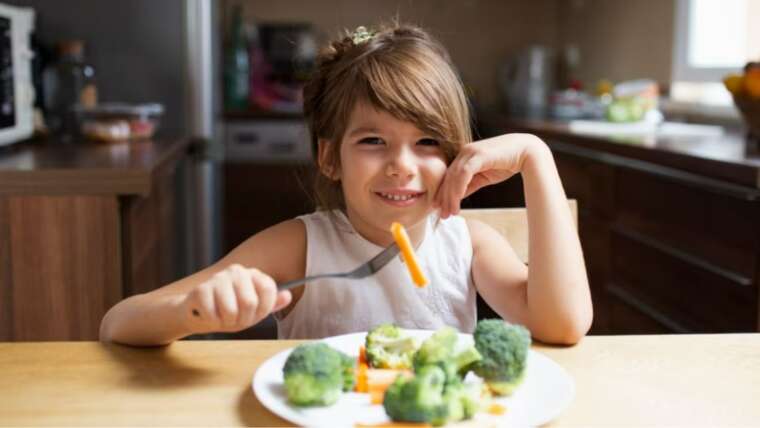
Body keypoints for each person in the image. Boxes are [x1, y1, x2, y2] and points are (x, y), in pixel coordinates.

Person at [99, 22, 592, 346]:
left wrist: (536, 158)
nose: (402, 166)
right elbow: (118, 323)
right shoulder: (300, 247)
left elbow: (563, 326)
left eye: (426, 143)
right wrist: (192, 311)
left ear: (456, 156)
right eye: (374, 141)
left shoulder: (469, 244)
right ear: (330, 158)